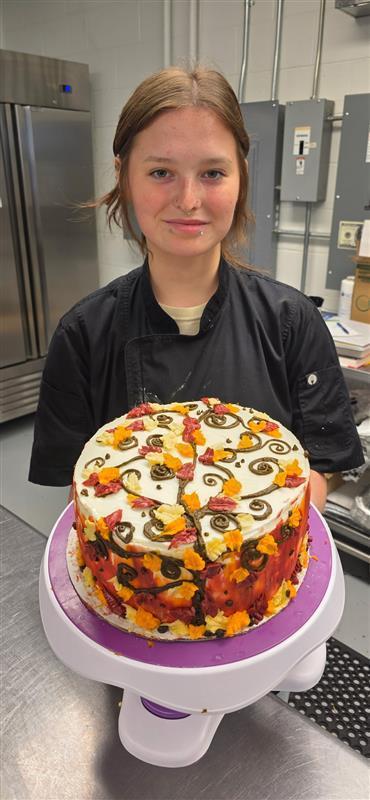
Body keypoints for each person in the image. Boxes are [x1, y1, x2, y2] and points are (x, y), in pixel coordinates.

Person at [28, 64, 364, 511]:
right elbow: (83, 493)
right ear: (124, 176)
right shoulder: (83, 334)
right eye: (161, 172)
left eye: (212, 173)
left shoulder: (292, 322)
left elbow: (319, 467)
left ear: (240, 176)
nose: (188, 199)